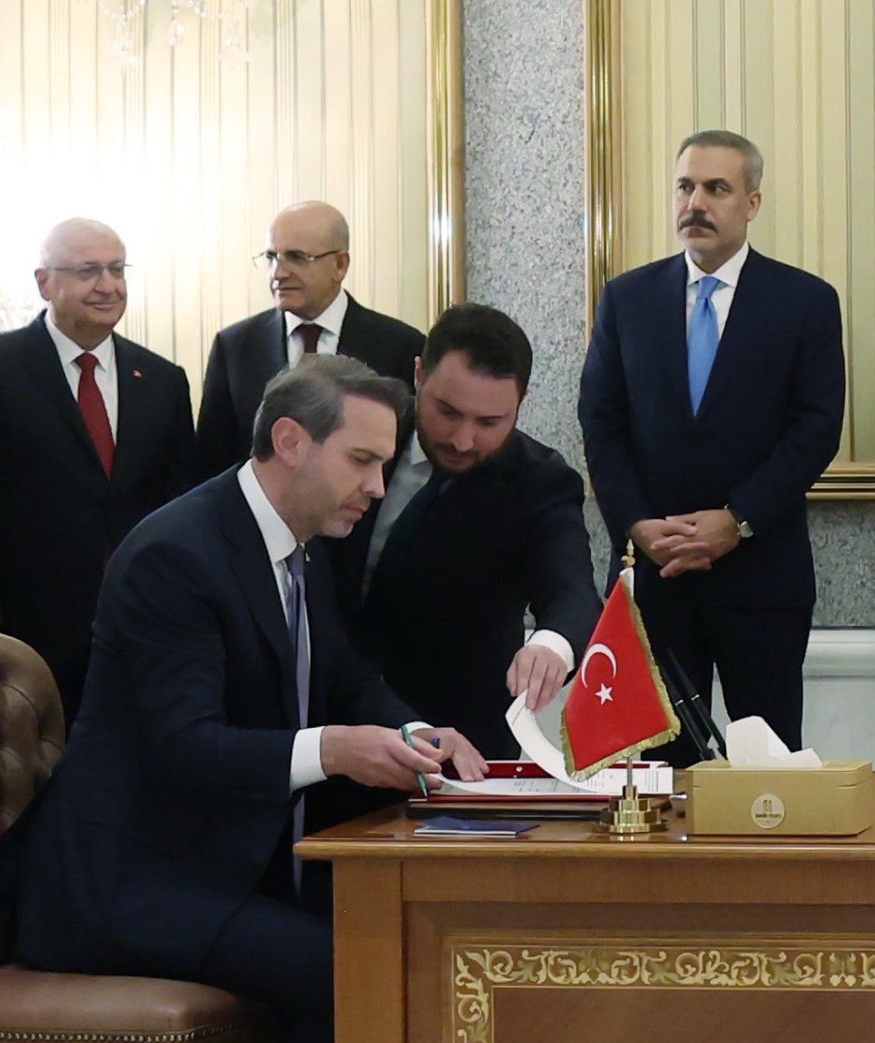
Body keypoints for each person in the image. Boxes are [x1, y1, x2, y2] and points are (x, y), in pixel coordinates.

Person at [10, 356, 488, 1043]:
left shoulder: (293, 544)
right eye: (362, 462)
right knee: (345, 967)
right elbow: (185, 747)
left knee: (398, 936)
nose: (378, 487)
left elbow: (341, 677)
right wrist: (335, 750)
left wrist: (417, 731)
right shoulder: (174, 557)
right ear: (289, 442)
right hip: (123, 884)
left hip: (212, 866)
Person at [577, 130, 844, 751]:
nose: (695, 203)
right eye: (685, 187)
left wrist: (737, 521)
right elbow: (601, 423)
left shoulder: (804, 302)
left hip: (761, 580)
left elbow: (815, 430)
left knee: (767, 774)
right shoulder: (627, 298)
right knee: (657, 773)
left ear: (751, 202)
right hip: (658, 577)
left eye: (716, 189)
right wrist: (638, 524)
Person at [326, 305, 599, 761]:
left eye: (490, 422)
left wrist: (552, 645)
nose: (463, 440)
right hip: (326, 725)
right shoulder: (354, 441)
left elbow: (572, 591)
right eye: (447, 412)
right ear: (418, 374)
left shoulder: (539, 483)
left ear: (522, 400)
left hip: (457, 746)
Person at [0, 219, 193, 721]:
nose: (108, 285)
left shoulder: (163, 381)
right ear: (44, 282)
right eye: (89, 271)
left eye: (116, 269)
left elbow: (183, 505)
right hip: (22, 634)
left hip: (139, 627)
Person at [192, 201, 425, 478]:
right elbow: (212, 463)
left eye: (297, 257)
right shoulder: (234, 347)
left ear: (340, 265)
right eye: (271, 257)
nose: (277, 273)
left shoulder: (401, 346)